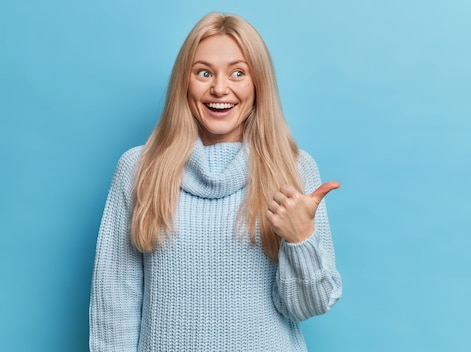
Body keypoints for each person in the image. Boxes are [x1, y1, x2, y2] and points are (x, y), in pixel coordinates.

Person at [89, 12, 342, 351]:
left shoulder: (292, 167)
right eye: (204, 72)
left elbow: (308, 307)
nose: (220, 88)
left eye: (238, 73)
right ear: (185, 81)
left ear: (258, 84)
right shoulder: (139, 168)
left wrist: (300, 240)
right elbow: (113, 305)